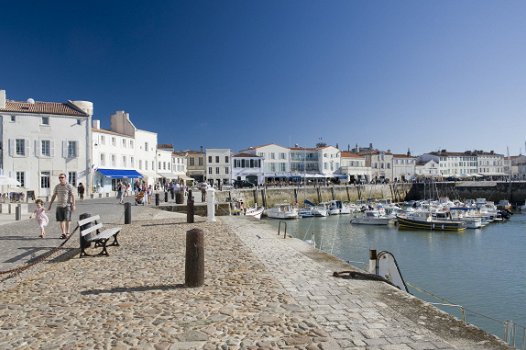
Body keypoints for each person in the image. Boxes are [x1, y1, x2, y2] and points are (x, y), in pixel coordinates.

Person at [48, 173, 76, 239]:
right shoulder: (57, 186)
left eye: (62, 177)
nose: (61, 179)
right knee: (61, 220)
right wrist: (50, 204)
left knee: (68, 219)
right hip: (59, 205)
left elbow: (73, 196)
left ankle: (68, 233)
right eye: (60, 177)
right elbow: (54, 195)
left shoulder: (69, 186)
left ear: (65, 178)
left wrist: (74, 205)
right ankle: (63, 233)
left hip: (67, 205)